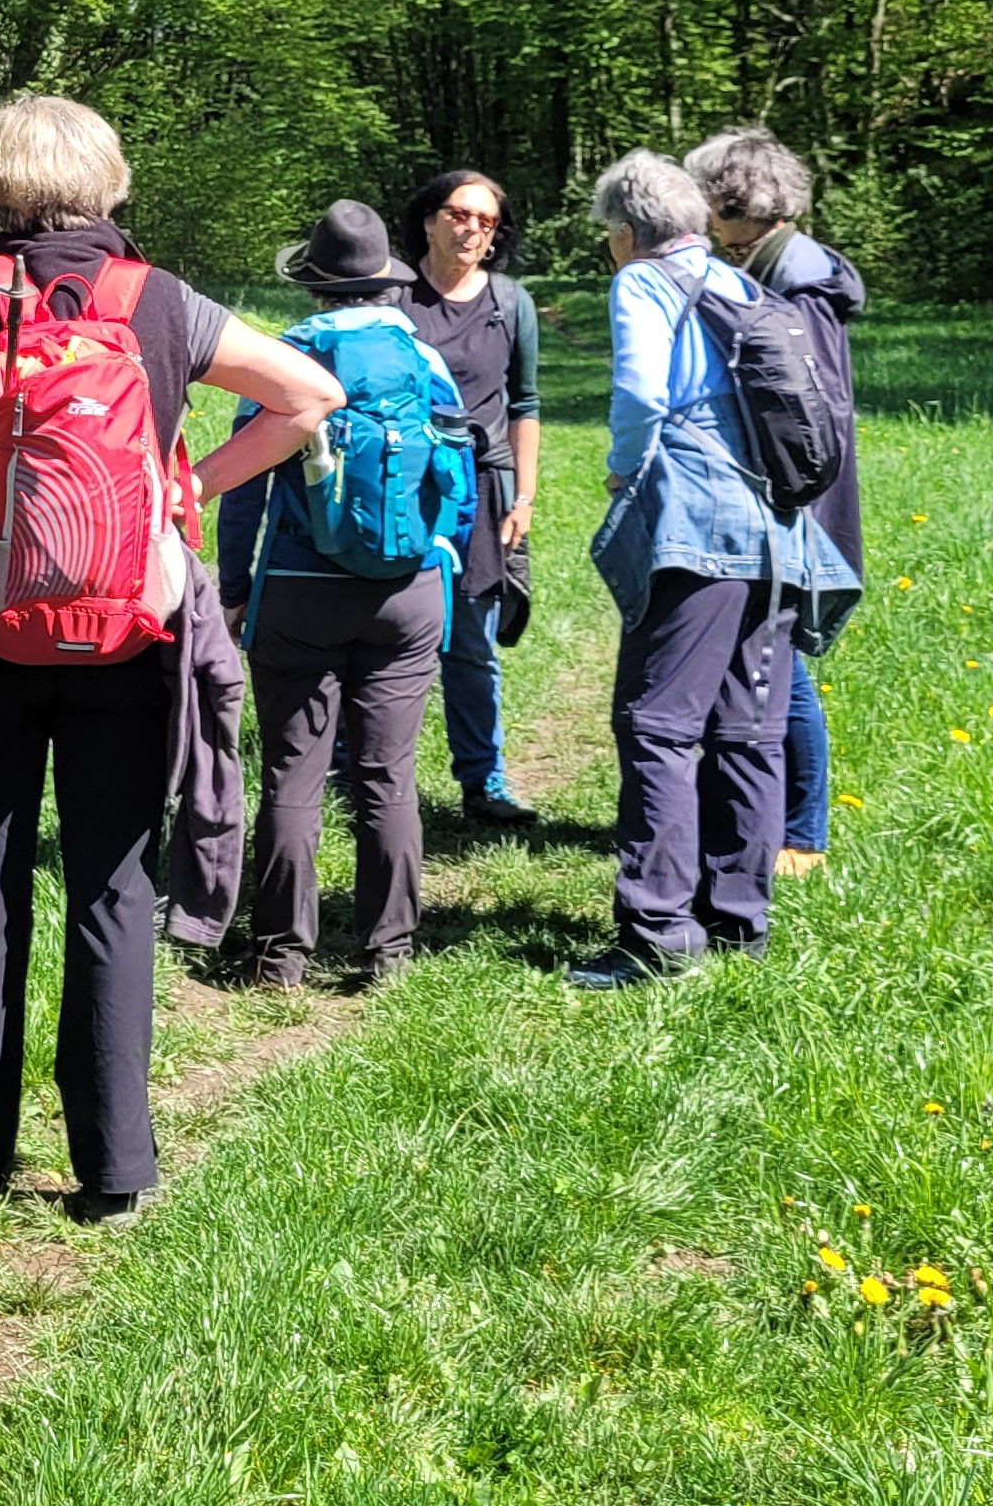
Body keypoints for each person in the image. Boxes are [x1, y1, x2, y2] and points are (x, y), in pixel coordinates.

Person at [0, 94, 339, 1220]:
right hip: (132, 639)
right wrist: (190, 494)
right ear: (111, 183)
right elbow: (308, 396)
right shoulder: (162, 305)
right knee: (112, 892)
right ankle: (116, 1167)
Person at [567, 148, 825, 989]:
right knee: (746, 729)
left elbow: (643, 390)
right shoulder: (738, 282)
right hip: (776, 537)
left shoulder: (643, 281)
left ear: (627, 231)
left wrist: (622, 466)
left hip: (698, 530)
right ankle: (738, 923)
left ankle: (656, 933)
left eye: (610, 233)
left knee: (657, 724)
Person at [218, 201, 464, 991]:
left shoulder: (281, 361)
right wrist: (440, 548)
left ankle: (281, 955)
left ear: (317, 286)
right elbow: (461, 473)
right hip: (408, 590)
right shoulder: (423, 360)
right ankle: (386, 953)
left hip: (299, 590)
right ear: (384, 284)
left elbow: (244, 488)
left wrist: (232, 589)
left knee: (293, 772)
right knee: (388, 775)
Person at [689, 126, 866, 881]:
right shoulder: (781, 265)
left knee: (780, 662)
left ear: (737, 204)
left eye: (709, 205)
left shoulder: (797, 280)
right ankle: (768, 820)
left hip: (797, 497)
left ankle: (803, 833)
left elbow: (805, 408)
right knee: (771, 657)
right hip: (787, 494)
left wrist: (782, 494)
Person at [394, 167, 542, 828]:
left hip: (483, 491)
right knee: (385, 633)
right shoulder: (393, 296)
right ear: (429, 219)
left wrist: (525, 497)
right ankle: (358, 774)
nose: (472, 229)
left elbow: (526, 404)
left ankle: (484, 783)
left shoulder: (511, 303)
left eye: (485, 221)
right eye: (459, 214)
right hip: (401, 485)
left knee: (473, 645)